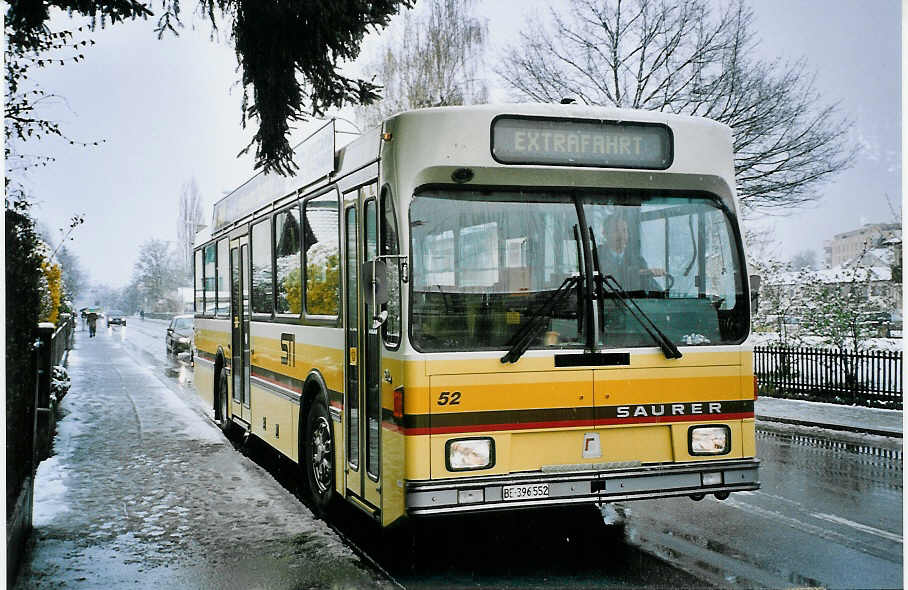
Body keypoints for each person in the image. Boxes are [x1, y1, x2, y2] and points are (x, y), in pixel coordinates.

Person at [596, 215, 664, 291]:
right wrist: (636, 273)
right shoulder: (595, 258)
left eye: (624, 230)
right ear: (605, 233)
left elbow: (649, 285)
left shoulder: (638, 260)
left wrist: (649, 274)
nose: (621, 235)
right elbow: (595, 278)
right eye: (616, 230)